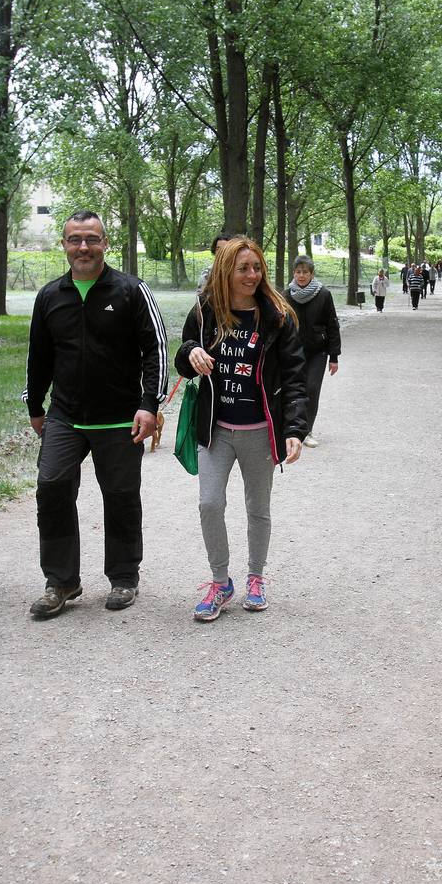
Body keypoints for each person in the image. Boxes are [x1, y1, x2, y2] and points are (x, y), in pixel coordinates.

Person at [24, 210, 168, 619]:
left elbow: (154, 350)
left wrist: (149, 405)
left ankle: (124, 577)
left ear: (106, 243)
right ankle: (61, 581)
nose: (83, 247)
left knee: (120, 498)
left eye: (91, 239)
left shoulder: (131, 290)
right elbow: (39, 356)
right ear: (64, 245)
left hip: (121, 419)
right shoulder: (50, 296)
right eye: (75, 239)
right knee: (51, 489)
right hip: (65, 417)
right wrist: (36, 405)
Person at [174, 236, 308, 622]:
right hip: (216, 429)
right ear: (225, 271)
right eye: (243, 268)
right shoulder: (204, 312)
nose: (253, 275)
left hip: (258, 430)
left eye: (257, 267)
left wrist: (295, 428)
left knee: (257, 508)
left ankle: (256, 577)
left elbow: (295, 377)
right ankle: (220, 582)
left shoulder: (277, 316)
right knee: (209, 503)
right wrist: (191, 353)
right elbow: (184, 352)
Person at [284, 256, 340, 449]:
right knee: (292, 389)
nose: (301, 275)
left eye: (305, 272)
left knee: (311, 389)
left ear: (311, 274)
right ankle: (291, 429)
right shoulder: (286, 296)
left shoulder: (323, 294)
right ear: (293, 273)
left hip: (318, 352)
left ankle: (306, 431)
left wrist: (334, 356)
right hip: (293, 351)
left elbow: (332, 325)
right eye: (298, 272)